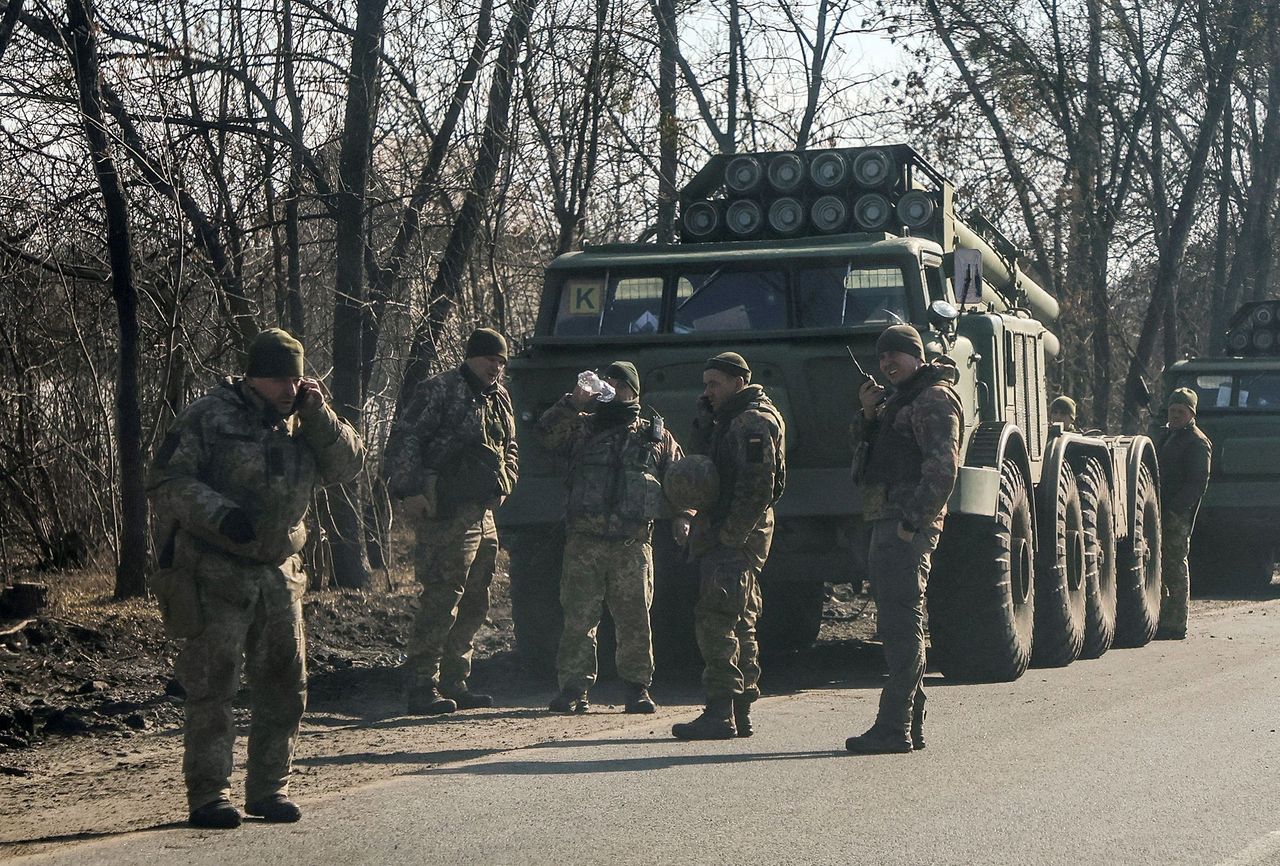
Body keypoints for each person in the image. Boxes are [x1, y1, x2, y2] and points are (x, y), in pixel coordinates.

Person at [147, 328, 365, 828]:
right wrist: (219, 514)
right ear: (253, 377)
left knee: (286, 685)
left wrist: (319, 416)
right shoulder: (209, 415)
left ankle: (269, 788)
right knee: (213, 686)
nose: (288, 388)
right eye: (277, 379)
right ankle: (209, 795)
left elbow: (348, 465)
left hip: (279, 571)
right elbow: (166, 480)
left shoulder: (307, 420)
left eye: (295, 378)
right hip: (213, 569)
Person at [534, 361, 688, 715]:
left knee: (635, 619)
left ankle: (637, 689)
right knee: (578, 618)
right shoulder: (582, 427)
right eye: (610, 383)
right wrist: (574, 402)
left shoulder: (656, 435)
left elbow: (677, 481)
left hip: (632, 544)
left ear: (634, 391)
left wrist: (683, 517)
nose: (613, 390)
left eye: (621, 385)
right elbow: (544, 435)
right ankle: (573, 689)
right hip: (584, 542)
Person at [383, 327, 519, 714]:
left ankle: (455, 681)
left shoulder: (500, 399)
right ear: (472, 357)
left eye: (501, 361)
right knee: (443, 599)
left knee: (477, 599)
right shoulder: (438, 390)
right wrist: (409, 490)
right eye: (490, 359)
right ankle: (421, 685)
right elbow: (406, 438)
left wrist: (506, 481)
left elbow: (510, 446)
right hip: (445, 512)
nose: (496, 367)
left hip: (483, 514)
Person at [845, 324, 962, 754]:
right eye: (882, 358)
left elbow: (942, 469)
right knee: (897, 622)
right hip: (887, 520)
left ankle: (894, 726)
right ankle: (908, 723)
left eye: (896, 355)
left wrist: (912, 523)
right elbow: (864, 453)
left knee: (899, 624)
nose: (887, 364)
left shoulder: (932, 398)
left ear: (916, 356)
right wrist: (868, 415)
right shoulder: (900, 399)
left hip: (904, 524)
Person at [672, 352, 785, 740]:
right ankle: (740, 710)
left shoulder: (752, 422)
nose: (708, 391)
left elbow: (758, 487)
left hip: (736, 535)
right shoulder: (728, 420)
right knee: (740, 619)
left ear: (738, 382)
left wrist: (730, 537)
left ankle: (721, 711)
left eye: (714, 384)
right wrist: (704, 420)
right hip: (732, 533)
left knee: (717, 620)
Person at [1155, 387, 1212, 640]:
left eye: (1180, 411)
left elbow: (1198, 482)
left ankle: (1177, 623)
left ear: (1191, 413)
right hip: (1160, 509)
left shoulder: (1197, 441)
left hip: (1177, 514)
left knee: (1176, 564)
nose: (1175, 415)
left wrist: (1177, 510)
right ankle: (1162, 618)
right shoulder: (1168, 436)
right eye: (1172, 410)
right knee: (1161, 564)